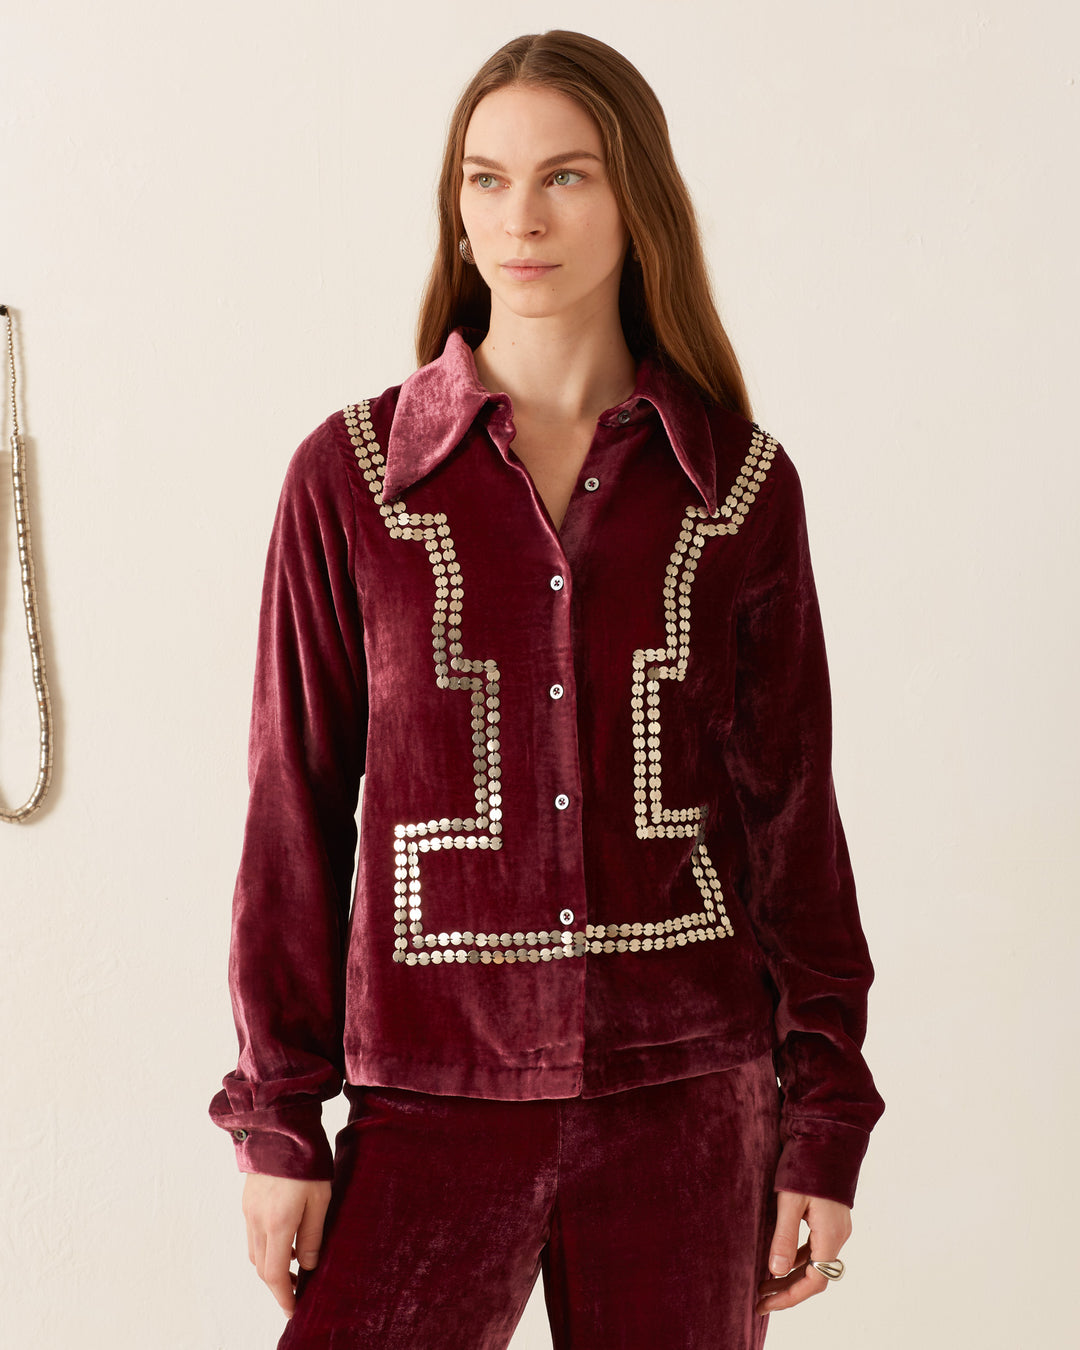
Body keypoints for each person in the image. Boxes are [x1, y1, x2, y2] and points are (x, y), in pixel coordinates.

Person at [209, 29, 884, 1350]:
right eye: (487, 179)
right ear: (455, 209)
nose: (521, 217)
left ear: (637, 198)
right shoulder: (349, 480)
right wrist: (278, 1115)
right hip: (425, 1098)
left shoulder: (739, 487)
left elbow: (795, 820)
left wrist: (825, 1118)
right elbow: (291, 807)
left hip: (690, 1098)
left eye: (567, 176)